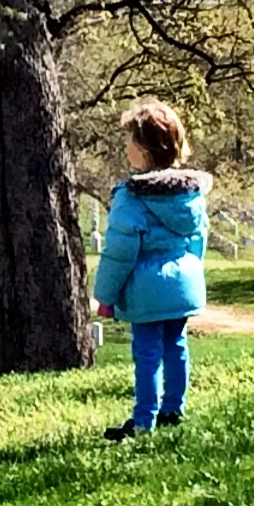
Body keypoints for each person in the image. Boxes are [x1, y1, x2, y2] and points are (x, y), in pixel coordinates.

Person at [91, 98, 210, 440]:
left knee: (147, 352)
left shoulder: (132, 198)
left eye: (130, 139)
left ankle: (144, 419)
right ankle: (174, 408)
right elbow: (198, 239)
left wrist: (106, 295)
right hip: (184, 280)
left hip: (146, 287)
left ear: (144, 149)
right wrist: (190, 275)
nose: (125, 146)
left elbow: (120, 252)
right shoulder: (191, 194)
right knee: (176, 344)